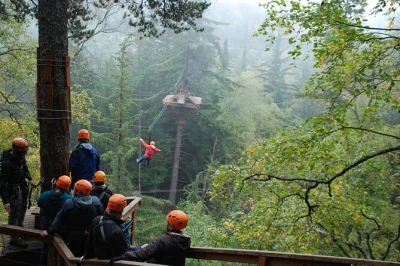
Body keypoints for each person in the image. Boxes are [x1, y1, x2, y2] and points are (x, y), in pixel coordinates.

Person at [40, 179, 104, 257]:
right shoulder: (96, 202)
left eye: (74, 189)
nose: (73, 190)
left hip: (73, 238)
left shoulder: (69, 203)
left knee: (73, 258)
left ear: (78, 192)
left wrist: (49, 231)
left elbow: (59, 219)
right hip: (90, 237)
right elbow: (101, 218)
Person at [109, 210, 191, 266]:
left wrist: (123, 257)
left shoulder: (164, 240)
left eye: (168, 222)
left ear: (170, 225)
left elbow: (143, 254)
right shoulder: (186, 241)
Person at [0, 138, 36, 248]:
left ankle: (20, 230)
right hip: (13, 192)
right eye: (23, 152)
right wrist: (6, 201)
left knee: (22, 210)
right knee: (14, 214)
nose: (25, 153)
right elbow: (1, 184)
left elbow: (24, 168)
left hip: (22, 188)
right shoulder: (6, 164)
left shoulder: (20, 159)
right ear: (17, 151)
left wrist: (30, 179)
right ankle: (14, 238)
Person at [37, 175, 73, 265]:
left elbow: (39, 203)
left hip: (46, 224)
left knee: (45, 247)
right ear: (67, 187)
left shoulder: (45, 195)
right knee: (62, 249)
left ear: (56, 183)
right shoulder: (69, 199)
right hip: (60, 227)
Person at [82, 194, 129, 260]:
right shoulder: (117, 231)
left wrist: (85, 257)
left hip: (95, 261)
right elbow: (120, 256)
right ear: (121, 211)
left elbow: (89, 245)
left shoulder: (96, 220)